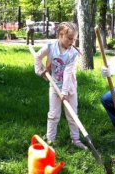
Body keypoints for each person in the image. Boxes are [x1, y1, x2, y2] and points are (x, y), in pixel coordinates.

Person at [34, 22, 88, 150]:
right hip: (54, 86)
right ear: (60, 34)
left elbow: (69, 73)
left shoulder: (73, 53)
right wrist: (40, 71)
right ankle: (50, 140)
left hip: (69, 89)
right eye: (70, 38)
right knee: (53, 115)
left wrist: (64, 92)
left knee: (72, 114)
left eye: (74, 39)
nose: (72, 42)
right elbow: (37, 57)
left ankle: (76, 139)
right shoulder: (50, 47)